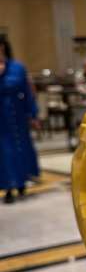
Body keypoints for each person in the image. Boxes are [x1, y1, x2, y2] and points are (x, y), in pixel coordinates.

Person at [0, 37, 40, 204]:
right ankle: (8, 188)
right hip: (1, 117)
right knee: (4, 151)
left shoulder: (17, 67)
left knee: (20, 148)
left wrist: (33, 114)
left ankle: (22, 184)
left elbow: (27, 92)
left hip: (18, 114)